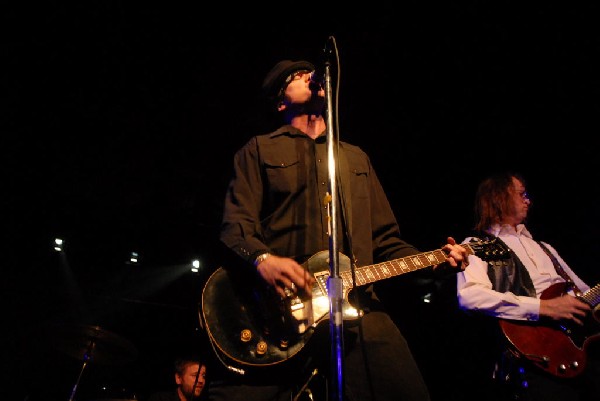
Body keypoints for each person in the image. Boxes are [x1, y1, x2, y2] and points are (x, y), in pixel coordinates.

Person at [206, 56, 469, 401]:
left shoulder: (356, 158)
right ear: (281, 100)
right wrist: (263, 259)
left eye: (308, 72)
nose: (307, 76)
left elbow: (386, 241)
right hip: (280, 313)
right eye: (295, 77)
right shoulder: (259, 150)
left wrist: (433, 260)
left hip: (358, 306)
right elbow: (236, 226)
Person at [456, 172, 600, 401]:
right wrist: (543, 307)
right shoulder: (475, 246)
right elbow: (470, 297)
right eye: (522, 194)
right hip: (534, 357)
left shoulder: (545, 247)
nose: (528, 200)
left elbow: (584, 293)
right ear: (498, 197)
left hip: (580, 348)